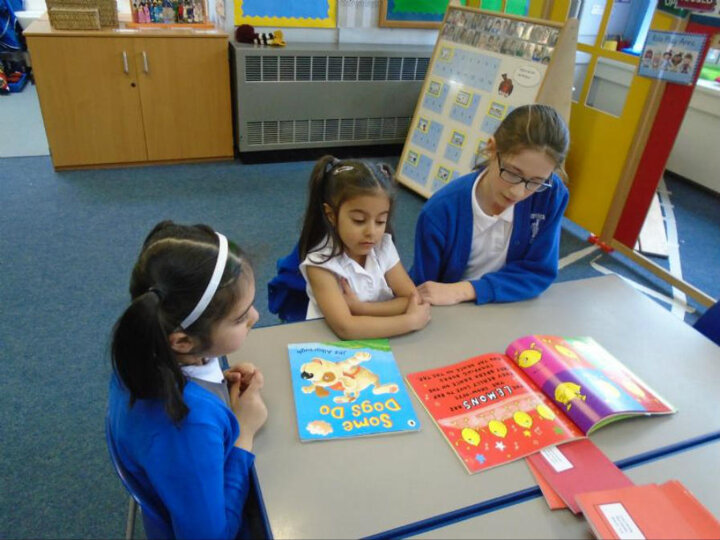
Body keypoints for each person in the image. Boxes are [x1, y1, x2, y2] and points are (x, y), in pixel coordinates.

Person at [107, 220, 268, 539]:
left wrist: (218, 386)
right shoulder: (191, 426)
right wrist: (245, 432)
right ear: (182, 342)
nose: (256, 317)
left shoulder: (141, 349)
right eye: (240, 317)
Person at [410, 104, 570, 307]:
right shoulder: (440, 212)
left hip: (511, 305)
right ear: (492, 149)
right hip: (455, 312)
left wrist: (467, 290)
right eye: (512, 173)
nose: (518, 192)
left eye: (536, 181)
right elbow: (425, 292)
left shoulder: (550, 194)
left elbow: (538, 271)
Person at [272, 155, 430, 339]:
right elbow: (346, 328)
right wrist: (410, 321)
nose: (371, 232)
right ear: (331, 215)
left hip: (383, 338)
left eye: (380, 221)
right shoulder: (321, 264)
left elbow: (411, 298)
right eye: (359, 220)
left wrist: (362, 309)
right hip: (333, 346)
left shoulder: (383, 247)